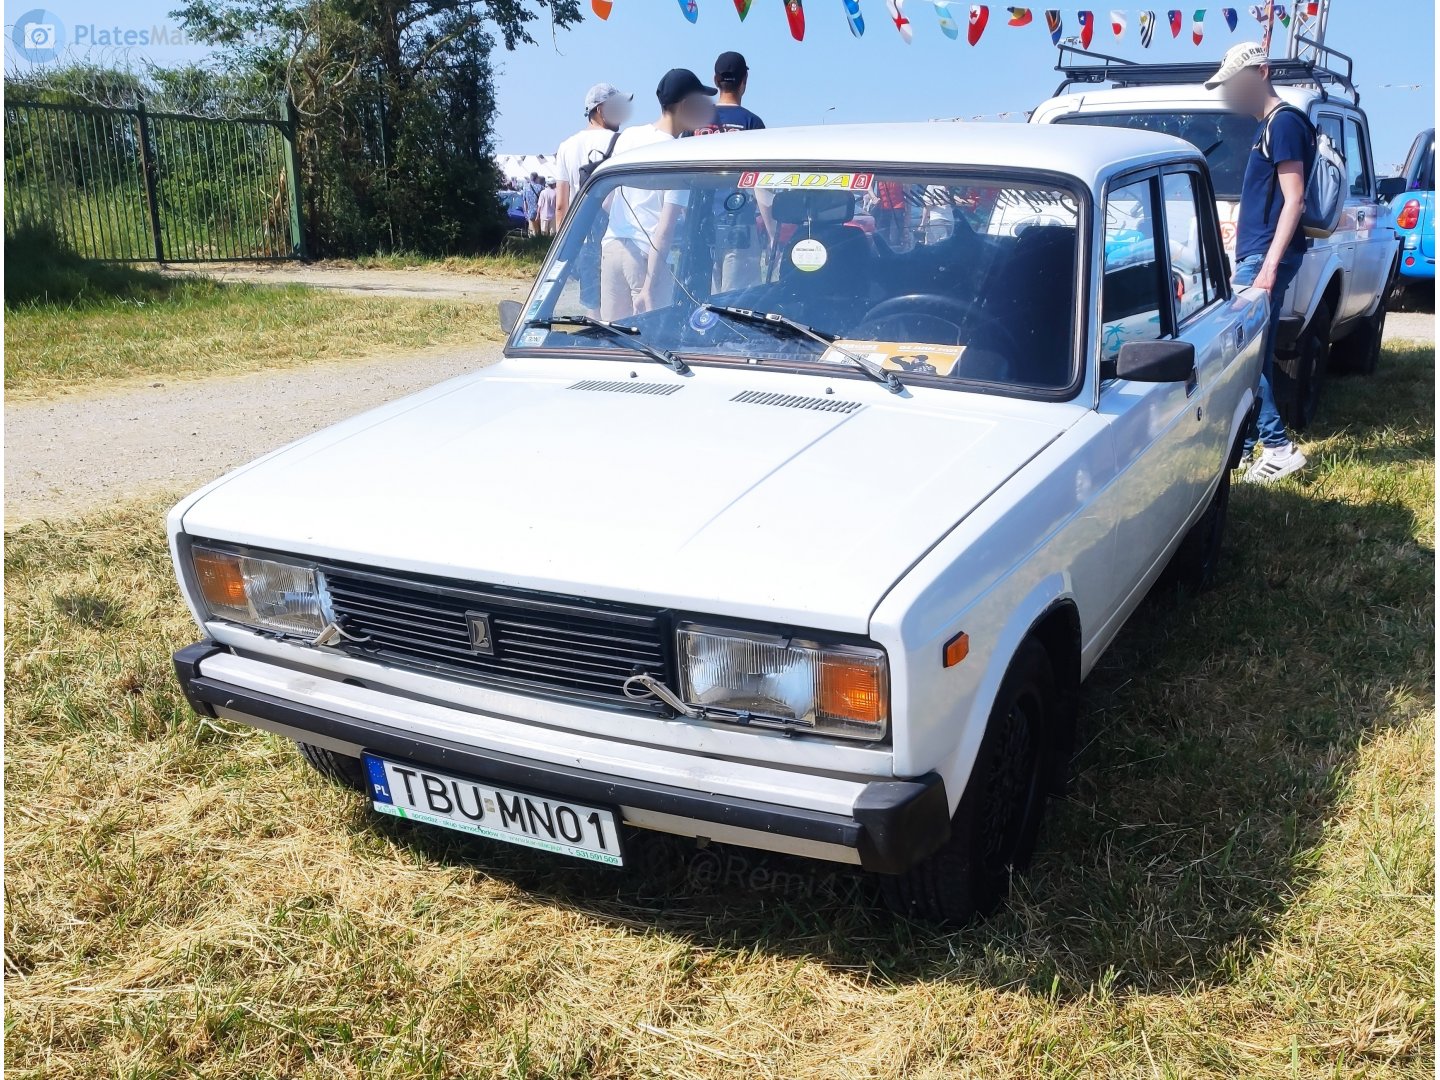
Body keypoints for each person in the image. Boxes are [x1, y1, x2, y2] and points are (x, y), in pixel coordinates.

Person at [1207, 41, 1315, 483]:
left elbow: (1295, 199)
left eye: (1236, 82)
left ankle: (1278, 447)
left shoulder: (1284, 123)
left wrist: (1268, 267)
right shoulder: (1267, 126)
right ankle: (1249, 445)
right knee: (1256, 352)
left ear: (1262, 73)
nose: (1231, 92)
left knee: (1250, 356)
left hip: (1266, 258)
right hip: (1257, 255)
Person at [601, 68, 716, 321]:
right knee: (650, 335)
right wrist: (649, 288)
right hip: (646, 257)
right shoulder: (678, 153)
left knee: (611, 335)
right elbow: (664, 229)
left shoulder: (629, 136)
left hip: (612, 248)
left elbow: (608, 201)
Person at [685, 51, 771, 290]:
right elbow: (760, 185)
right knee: (736, 302)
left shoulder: (694, 122)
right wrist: (772, 232)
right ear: (745, 80)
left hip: (699, 227)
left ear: (715, 80)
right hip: (739, 227)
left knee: (702, 300)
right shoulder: (752, 124)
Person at [555, 83, 633, 224]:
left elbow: (561, 206)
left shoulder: (565, 147)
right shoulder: (623, 142)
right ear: (600, 110)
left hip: (578, 230)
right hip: (612, 232)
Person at [521, 172, 544, 236]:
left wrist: (526, 212)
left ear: (530, 178)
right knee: (538, 231)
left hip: (530, 212)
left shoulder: (525, 188)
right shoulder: (541, 187)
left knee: (531, 231)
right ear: (537, 178)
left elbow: (525, 201)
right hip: (539, 212)